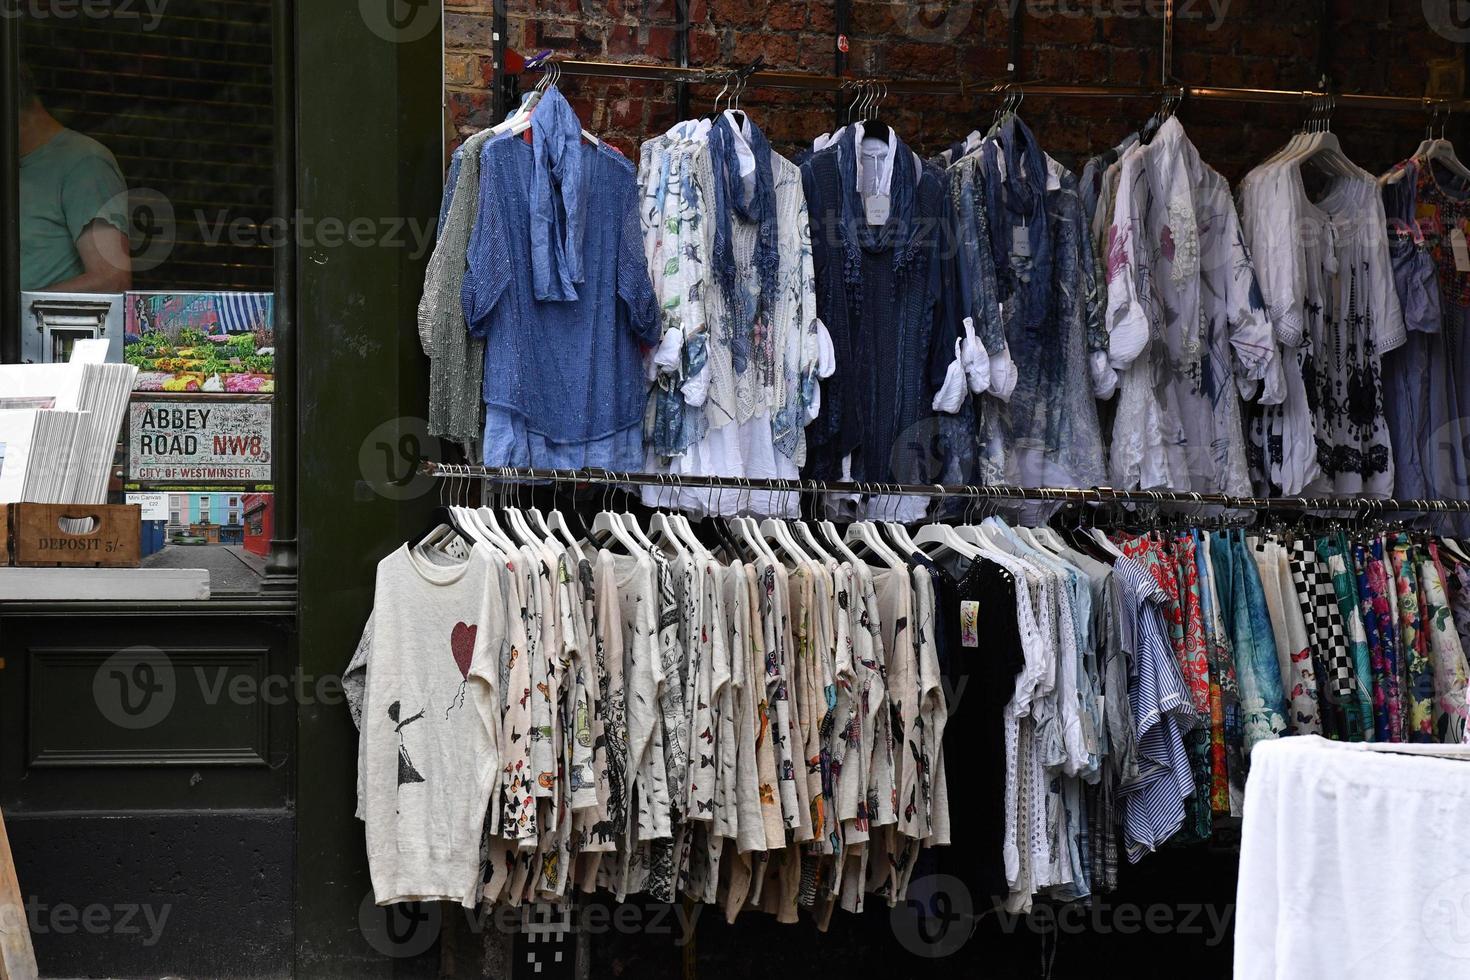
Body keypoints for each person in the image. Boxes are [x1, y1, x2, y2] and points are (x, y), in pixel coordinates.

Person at [18, 61, 132, 293]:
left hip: (43, 328)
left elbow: (110, 280)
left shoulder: (85, 163)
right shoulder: (17, 166)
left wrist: (14, 313)